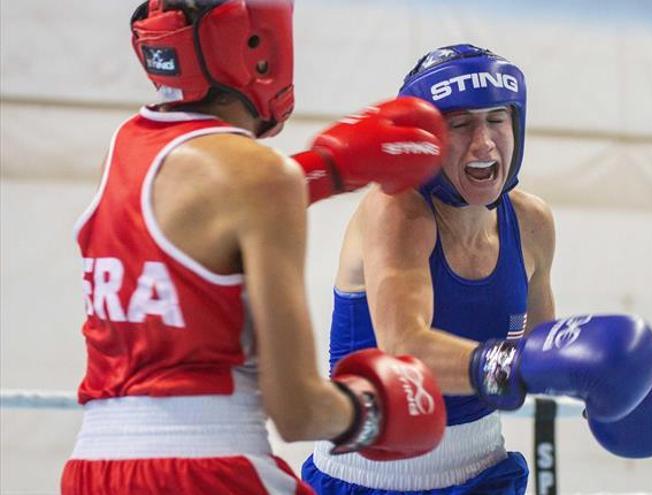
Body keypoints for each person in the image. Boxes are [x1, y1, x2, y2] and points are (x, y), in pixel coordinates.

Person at [61, 1, 450, 494]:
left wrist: (328, 170)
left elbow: (201, 222)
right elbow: (298, 410)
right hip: (208, 470)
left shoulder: (120, 153)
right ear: (257, 48)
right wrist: (373, 410)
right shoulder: (263, 178)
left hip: (92, 470)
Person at [301, 44, 652, 494]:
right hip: (368, 474)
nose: (483, 142)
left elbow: (539, 348)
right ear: (428, 140)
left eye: (497, 119)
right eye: (460, 124)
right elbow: (405, 346)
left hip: (484, 469)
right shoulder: (395, 210)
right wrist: (519, 366)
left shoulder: (532, 222)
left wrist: (610, 382)